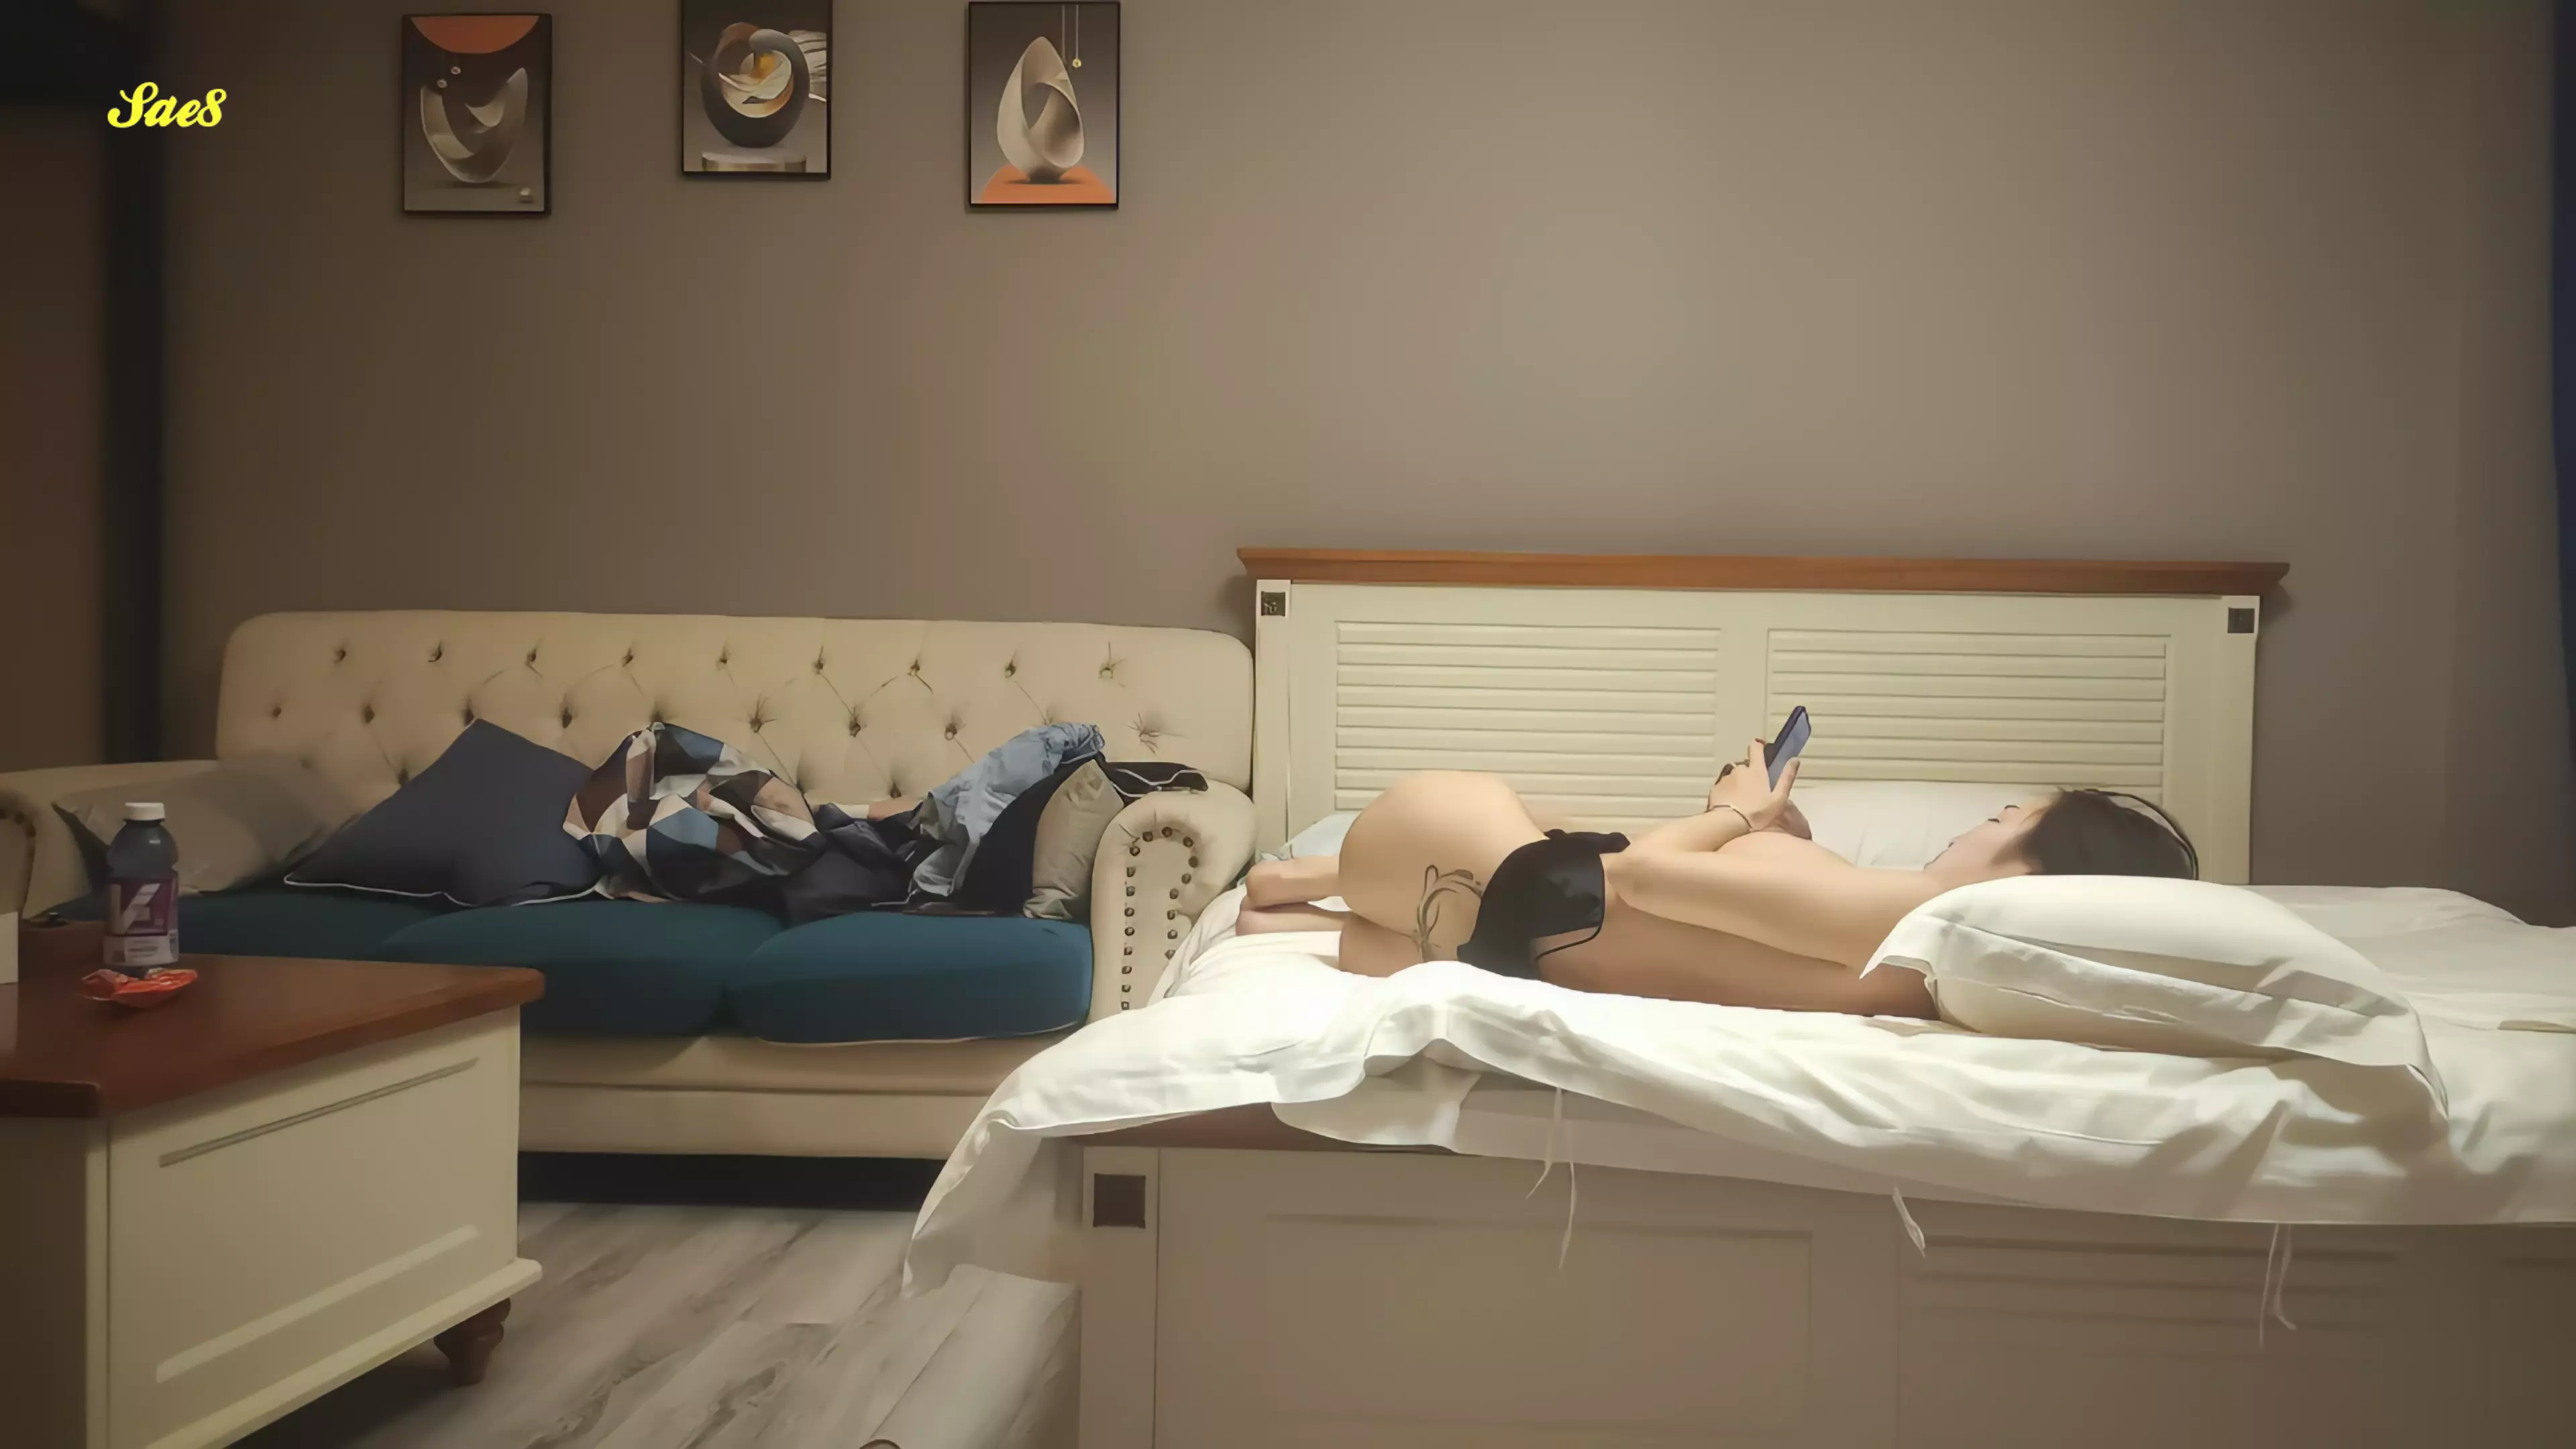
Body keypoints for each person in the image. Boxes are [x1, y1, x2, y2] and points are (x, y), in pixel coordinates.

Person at [1240, 742, 2198, 1017]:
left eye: (2001, 821)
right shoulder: (1936, 962)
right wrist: (1779, 839)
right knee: (1532, 842)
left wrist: (1739, 812)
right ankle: (1308, 894)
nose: (1972, 825)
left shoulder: (1925, 911)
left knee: (1533, 824)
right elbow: (1754, 932)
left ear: (2038, 869)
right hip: (1517, 939)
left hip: (1492, 868)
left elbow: (1648, 874)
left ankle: (1315, 878)